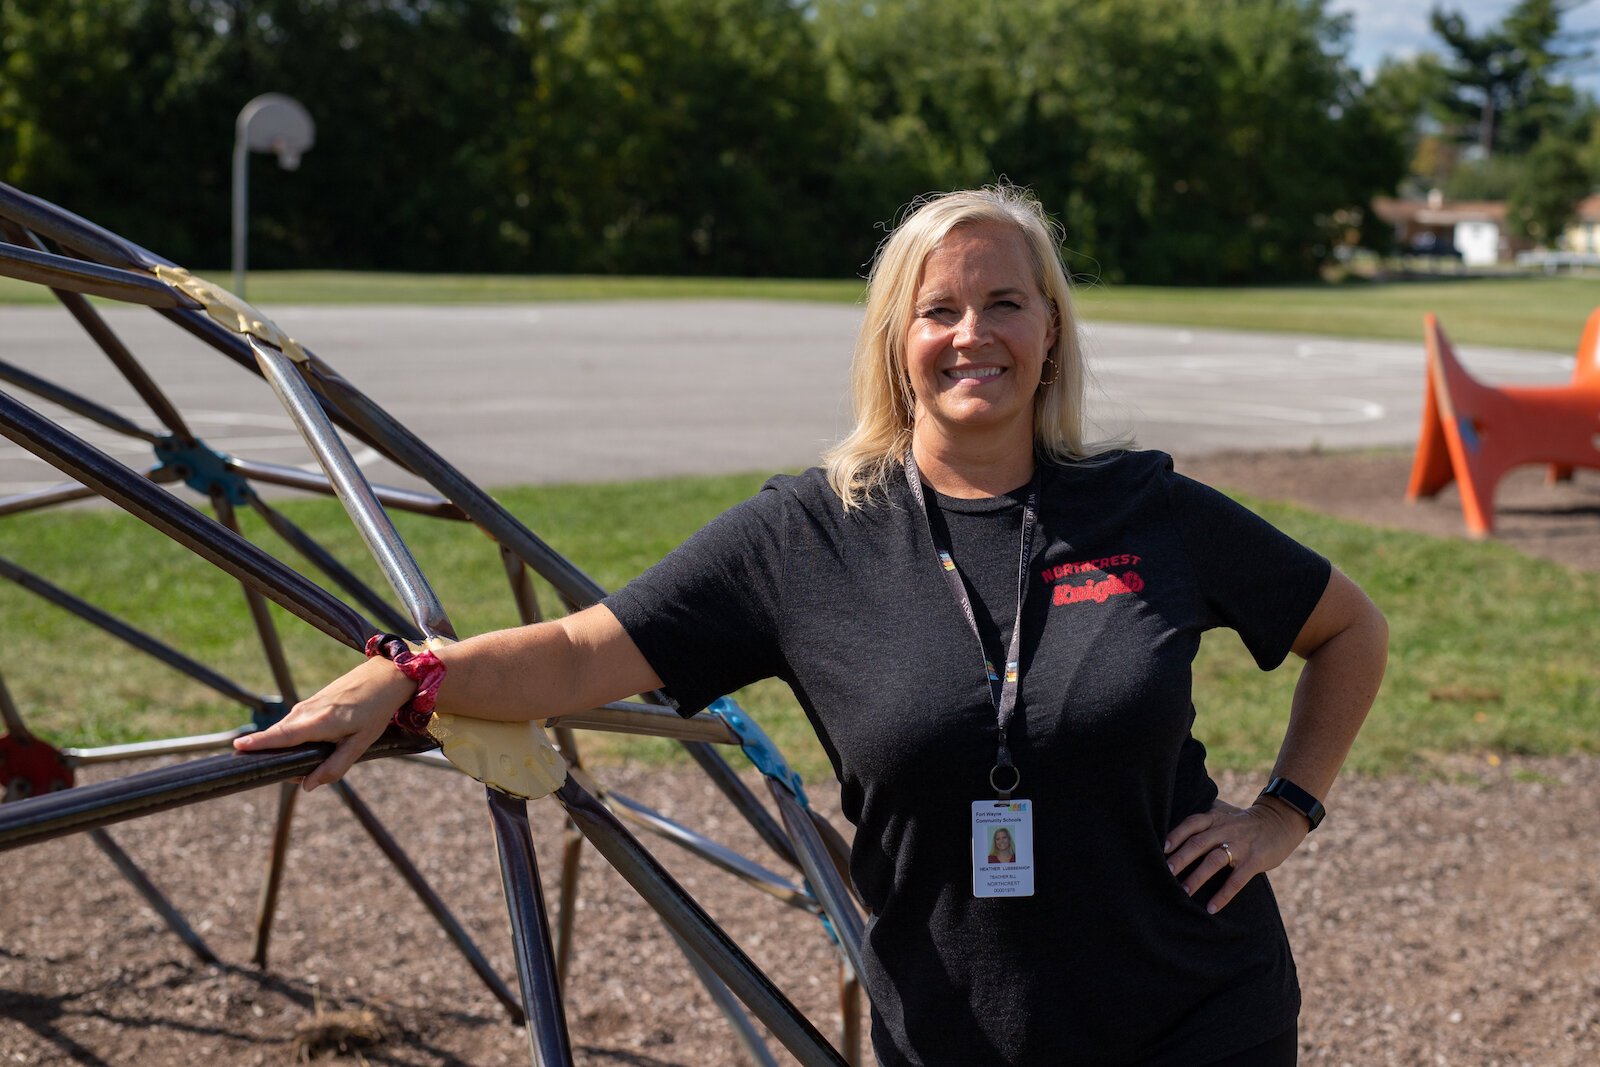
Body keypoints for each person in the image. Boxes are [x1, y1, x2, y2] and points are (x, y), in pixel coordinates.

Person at [236, 185, 1387, 1066]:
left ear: (1048, 333)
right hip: (957, 1032)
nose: (970, 332)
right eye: (938, 308)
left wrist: (1285, 808)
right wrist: (411, 676)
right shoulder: (806, 534)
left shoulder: (1148, 506)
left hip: (1199, 1012)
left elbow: (1350, 627)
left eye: (1004, 302)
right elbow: (586, 649)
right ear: (897, 340)